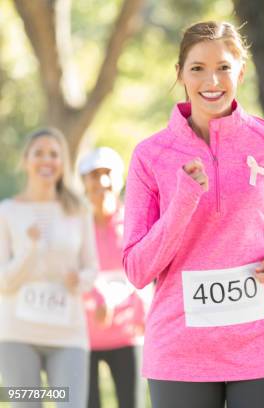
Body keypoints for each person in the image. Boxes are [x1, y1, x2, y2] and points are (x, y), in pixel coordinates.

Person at [122, 21, 264, 408]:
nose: (211, 80)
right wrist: (183, 202)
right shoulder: (150, 156)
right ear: (181, 73)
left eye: (223, 67)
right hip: (181, 349)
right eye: (197, 67)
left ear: (242, 71)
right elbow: (137, 269)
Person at [0, 128, 98, 408]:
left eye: (54, 154)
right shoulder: (7, 211)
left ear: (63, 163)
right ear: (26, 160)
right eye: (39, 153)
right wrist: (29, 251)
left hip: (68, 335)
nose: (47, 160)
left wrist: (78, 280)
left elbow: (92, 269)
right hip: (16, 334)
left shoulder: (78, 210)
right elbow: (3, 282)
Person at [79, 147, 148, 408]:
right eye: (94, 176)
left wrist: (115, 298)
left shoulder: (136, 221)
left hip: (129, 335)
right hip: (85, 338)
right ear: (84, 183)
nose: (102, 182)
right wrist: (99, 296)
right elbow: (72, 271)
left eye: (107, 174)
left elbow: (142, 270)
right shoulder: (76, 225)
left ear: (119, 179)